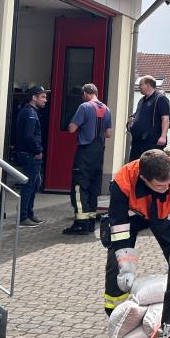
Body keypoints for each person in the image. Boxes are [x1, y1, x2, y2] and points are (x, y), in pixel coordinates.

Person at [102, 149, 170, 314]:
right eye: (160, 185)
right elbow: (119, 225)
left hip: (165, 216)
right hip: (132, 217)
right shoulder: (123, 181)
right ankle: (115, 311)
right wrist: (126, 267)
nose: (167, 188)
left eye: (169, 182)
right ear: (144, 179)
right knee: (116, 264)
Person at [63, 83, 113, 235]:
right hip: (98, 153)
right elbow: (108, 133)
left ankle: (81, 223)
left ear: (85, 93)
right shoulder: (106, 109)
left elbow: (72, 128)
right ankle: (91, 223)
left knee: (79, 188)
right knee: (93, 189)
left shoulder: (84, 107)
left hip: (85, 152)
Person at [13, 85, 48, 228]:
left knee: (35, 183)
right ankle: (23, 217)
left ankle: (29, 213)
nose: (45, 100)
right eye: (43, 97)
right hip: (30, 155)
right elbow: (28, 135)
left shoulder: (30, 112)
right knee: (29, 185)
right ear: (34, 97)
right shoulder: (30, 113)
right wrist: (38, 150)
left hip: (29, 153)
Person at [127, 76, 170, 162]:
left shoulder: (160, 98)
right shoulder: (142, 100)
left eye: (141, 84)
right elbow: (137, 114)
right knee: (134, 166)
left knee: (149, 167)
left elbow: (165, 118)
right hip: (138, 142)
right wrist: (131, 120)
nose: (139, 87)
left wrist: (163, 137)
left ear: (148, 85)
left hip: (151, 142)